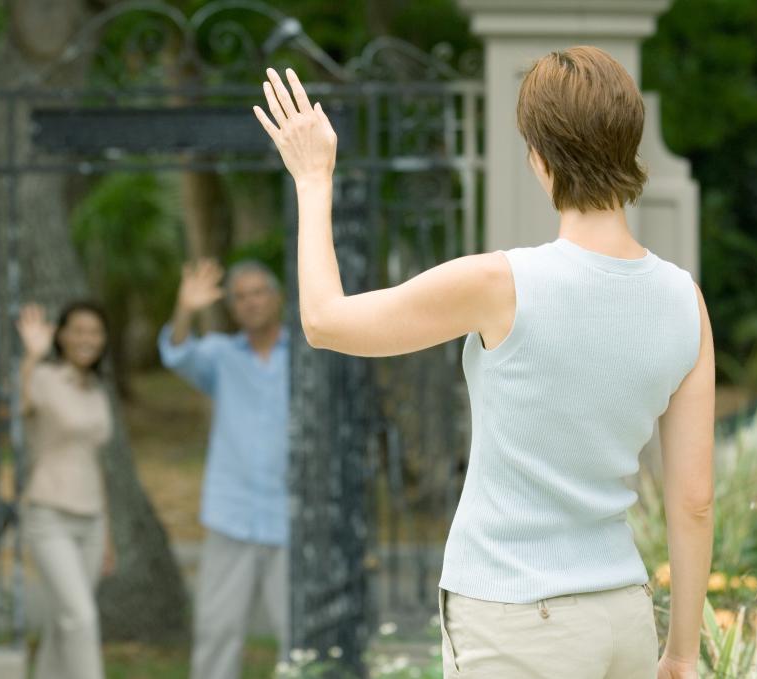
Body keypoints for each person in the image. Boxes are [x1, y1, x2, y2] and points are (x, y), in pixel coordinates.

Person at [254, 47, 713, 679]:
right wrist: (682, 652)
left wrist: (312, 179)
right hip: (623, 615)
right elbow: (693, 500)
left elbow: (326, 322)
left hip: (514, 616)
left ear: (540, 157)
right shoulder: (683, 299)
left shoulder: (502, 284)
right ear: (629, 144)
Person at [158, 259, 289, 679]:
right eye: (240, 297)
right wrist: (185, 309)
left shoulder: (307, 356)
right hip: (231, 515)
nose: (250, 303)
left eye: (258, 292)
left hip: (291, 517)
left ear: (277, 298)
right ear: (232, 308)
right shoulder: (219, 355)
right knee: (217, 631)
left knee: (299, 635)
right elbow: (177, 353)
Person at [17, 301, 116, 679]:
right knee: (81, 617)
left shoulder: (96, 389)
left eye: (95, 332)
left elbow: (96, 462)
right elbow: (18, 406)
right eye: (79, 330)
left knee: (64, 622)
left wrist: (106, 533)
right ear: (62, 335)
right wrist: (30, 358)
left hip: (91, 520)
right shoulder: (43, 377)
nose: (87, 339)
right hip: (50, 515)